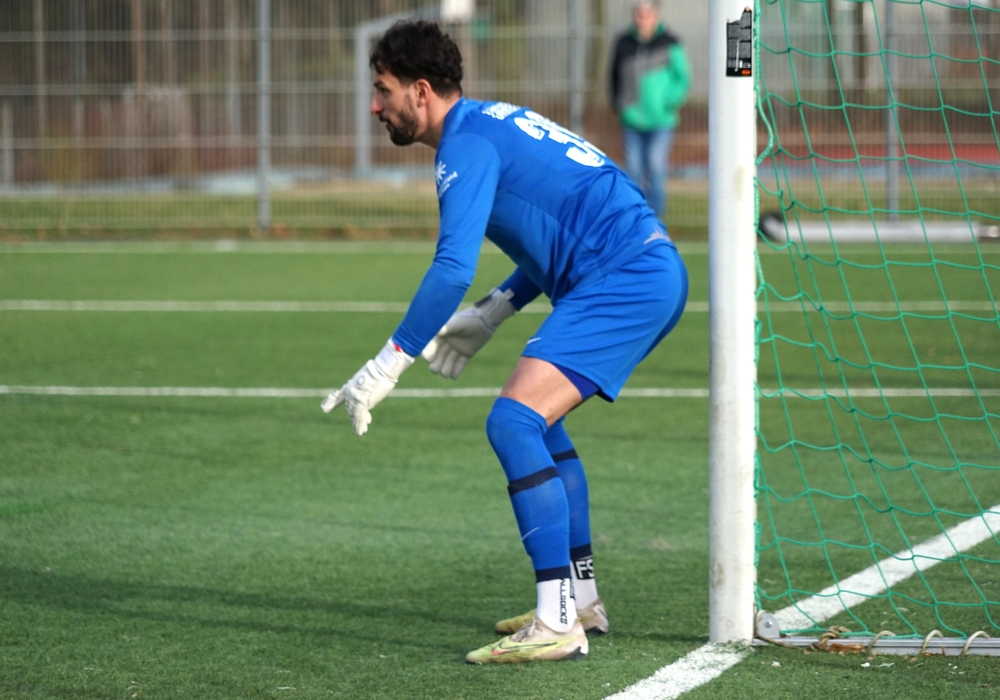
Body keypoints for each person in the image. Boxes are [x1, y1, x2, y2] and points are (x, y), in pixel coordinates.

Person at [322, 19, 688, 665]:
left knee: (513, 422)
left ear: (421, 91)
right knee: (540, 425)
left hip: (626, 277)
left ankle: (556, 622)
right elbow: (559, 228)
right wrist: (494, 311)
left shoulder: (463, 146)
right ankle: (580, 601)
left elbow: (451, 268)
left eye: (383, 90)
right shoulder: (494, 121)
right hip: (641, 268)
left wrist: (386, 364)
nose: (375, 107)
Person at [609, 0, 690, 219]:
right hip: (631, 118)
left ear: (656, 16)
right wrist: (618, 104)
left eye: (646, 14)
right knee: (633, 169)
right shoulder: (623, 42)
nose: (641, 18)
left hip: (661, 119)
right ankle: (634, 217)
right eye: (638, 13)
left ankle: (654, 219)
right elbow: (613, 76)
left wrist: (669, 101)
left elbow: (682, 78)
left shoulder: (670, 43)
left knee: (655, 166)